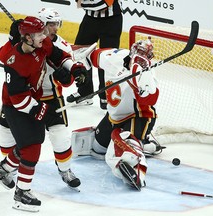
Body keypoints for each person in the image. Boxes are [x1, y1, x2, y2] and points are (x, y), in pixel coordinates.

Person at [0, 16, 87, 212]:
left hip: (34, 100)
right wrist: (41, 111)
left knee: (34, 141)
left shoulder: (40, 43)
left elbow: (58, 55)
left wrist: (75, 68)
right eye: (39, 34)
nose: (45, 36)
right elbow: (18, 100)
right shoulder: (14, 61)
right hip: (16, 107)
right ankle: (22, 194)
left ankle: (3, 169)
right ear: (26, 38)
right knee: (31, 148)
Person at [71, 38, 165, 190]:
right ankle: (146, 145)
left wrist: (140, 85)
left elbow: (150, 100)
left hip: (139, 116)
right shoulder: (113, 57)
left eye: (144, 55)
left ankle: (136, 163)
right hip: (114, 116)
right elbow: (90, 55)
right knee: (97, 149)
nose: (141, 57)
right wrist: (78, 66)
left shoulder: (148, 74)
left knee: (121, 141)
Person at [68, 0, 123, 109]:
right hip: (90, 20)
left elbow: (103, 4)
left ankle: (105, 95)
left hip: (111, 21)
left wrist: (82, 3)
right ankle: (85, 92)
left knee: (106, 58)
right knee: (81, 54)